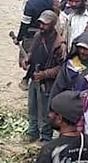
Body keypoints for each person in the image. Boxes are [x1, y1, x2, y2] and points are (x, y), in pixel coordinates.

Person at [24, 10, 67, 144]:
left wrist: (45, 74)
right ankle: (32, 132)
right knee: (32, 107)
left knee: (45, 111)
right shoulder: (38, 36)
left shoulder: (60, 44)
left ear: (53, 24)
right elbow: (31, 51)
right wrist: (27, 59)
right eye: (41, 23)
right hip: (34, 78)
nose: (42, 26)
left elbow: (62, 68)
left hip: (48, 84)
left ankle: (45, 137)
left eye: (45, 24)